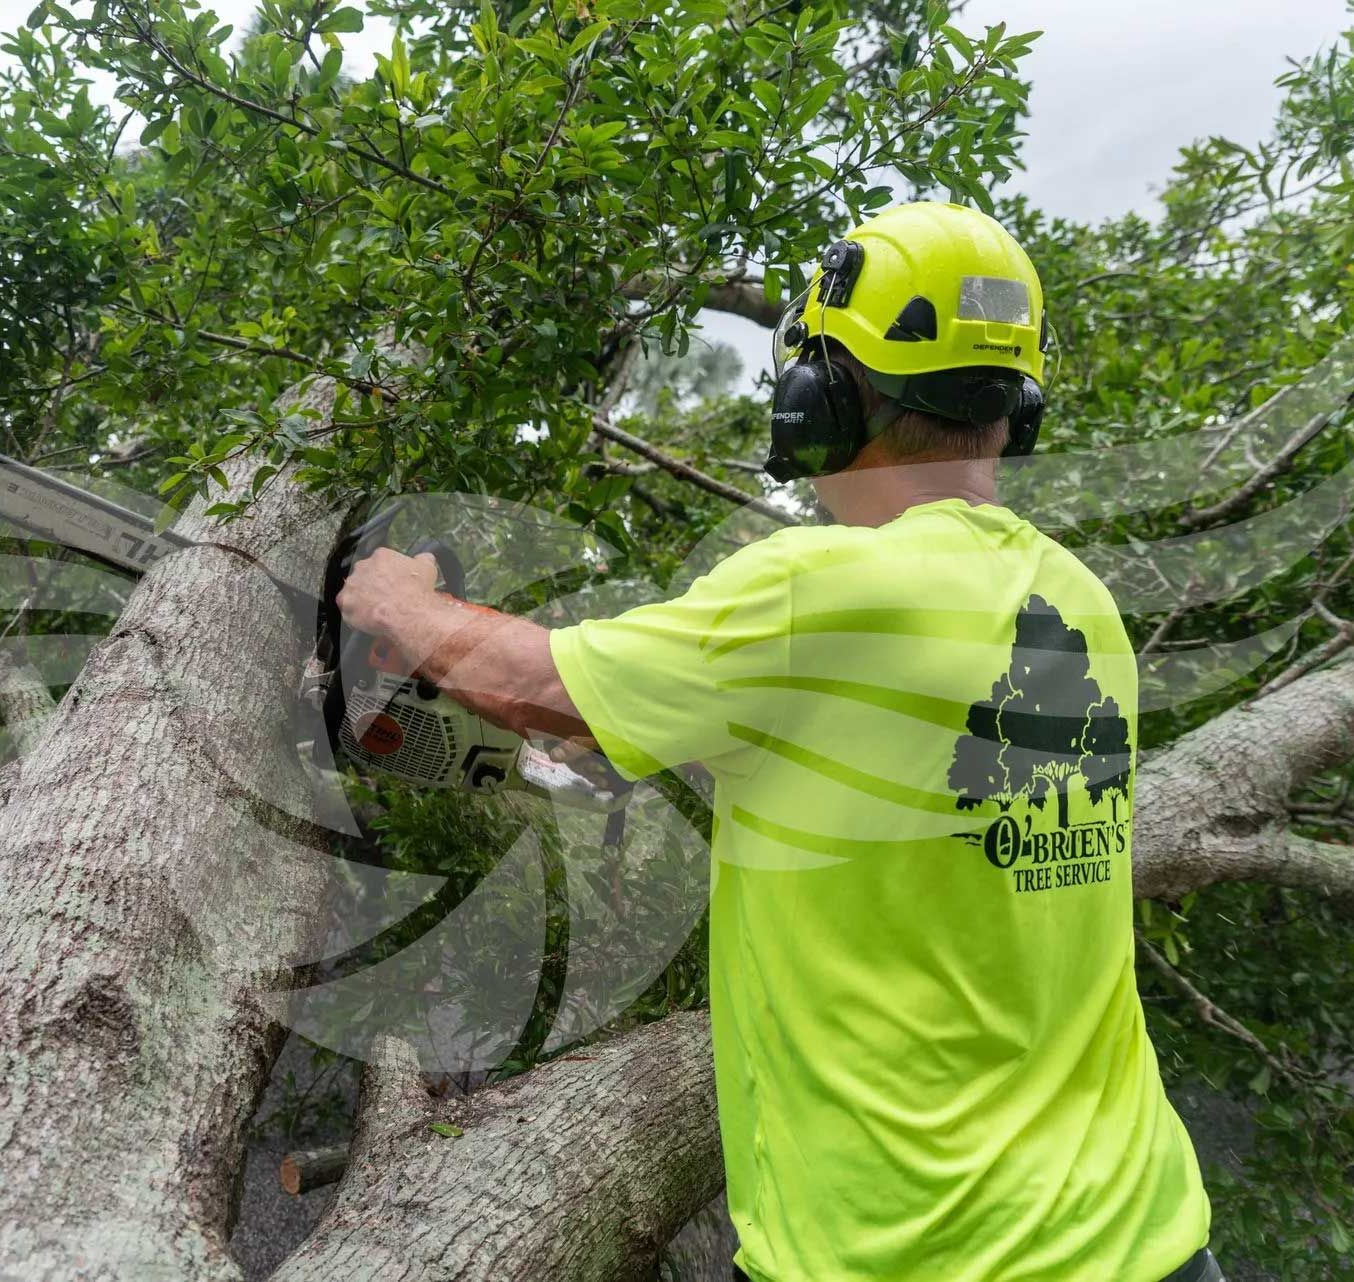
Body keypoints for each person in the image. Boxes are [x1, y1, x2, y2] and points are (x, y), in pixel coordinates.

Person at [335, 202, 1220, 1281]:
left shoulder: (823, 588)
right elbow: (898, 772)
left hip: (910, 1252)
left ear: (826, 397)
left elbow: (542, 686)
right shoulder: (1080, 600)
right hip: (1143, 1227)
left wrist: (400, 603)